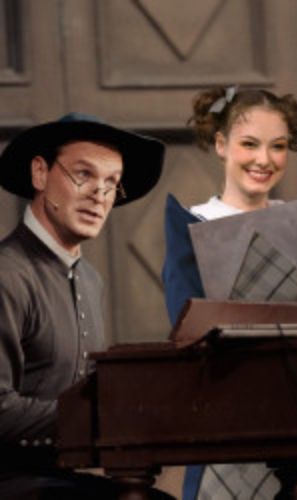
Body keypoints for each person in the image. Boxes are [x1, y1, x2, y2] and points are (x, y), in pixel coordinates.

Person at [0, 113, 171, 500]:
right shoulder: (6, 274)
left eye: (111, 183)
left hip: (60, 478)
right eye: (83, 174)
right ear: (40, 173)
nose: (100, 194)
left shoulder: (90, 281)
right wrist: (100, 416)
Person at [162, 87, 297, 499]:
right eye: (249, 144)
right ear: (221, 144)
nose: (264, 159)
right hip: (226, 420)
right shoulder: (192, 225)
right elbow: (189, 326)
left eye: (277, 146)